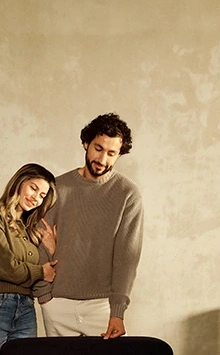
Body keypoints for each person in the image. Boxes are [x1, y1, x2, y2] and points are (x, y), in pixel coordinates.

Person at [34, 112, 144, 339]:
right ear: (86, 143)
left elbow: (127, 257)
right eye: (98, 148)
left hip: (102, 306)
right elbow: (38, 239)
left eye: (111, 153)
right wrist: (44, 296)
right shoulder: (57, 187)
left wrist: (117, 311)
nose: (102, 159)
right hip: (58, 302)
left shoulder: (127, 194)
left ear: (119, 155)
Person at [0, 163, 58, 355]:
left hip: (26, 308)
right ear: (19, 182)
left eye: (42, 195)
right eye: (33, 188)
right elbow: (5, 267)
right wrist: (41, 271)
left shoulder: (28, 230)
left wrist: (51, 248)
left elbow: (52, 270)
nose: (36, 198)